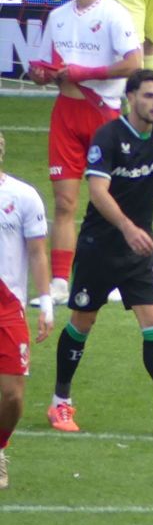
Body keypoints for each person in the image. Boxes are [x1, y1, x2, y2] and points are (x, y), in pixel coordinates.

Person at [47, 69, 153, 437]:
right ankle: (60, 402)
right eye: (149, 96)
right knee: (83, 322)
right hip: (101, 248)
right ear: (131, 98)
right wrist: (127, 228)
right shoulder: (108, 137)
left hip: (141, 249)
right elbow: (97, 191)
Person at [28, 0, 143, 305]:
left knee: (107, 199)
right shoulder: (58, 17)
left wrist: (85, 73)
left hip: (102, 115)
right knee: (64, 202)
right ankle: (61, 282)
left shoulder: (114, 15)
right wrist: (40, 74)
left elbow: (134, 63)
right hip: (65, 113)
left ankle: (111, 278)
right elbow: (47, 64)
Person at [0, 133, 55, 490]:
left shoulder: (22, 196)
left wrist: (46, 302)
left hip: (7, 307)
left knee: (12, 395)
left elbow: (37, 252)